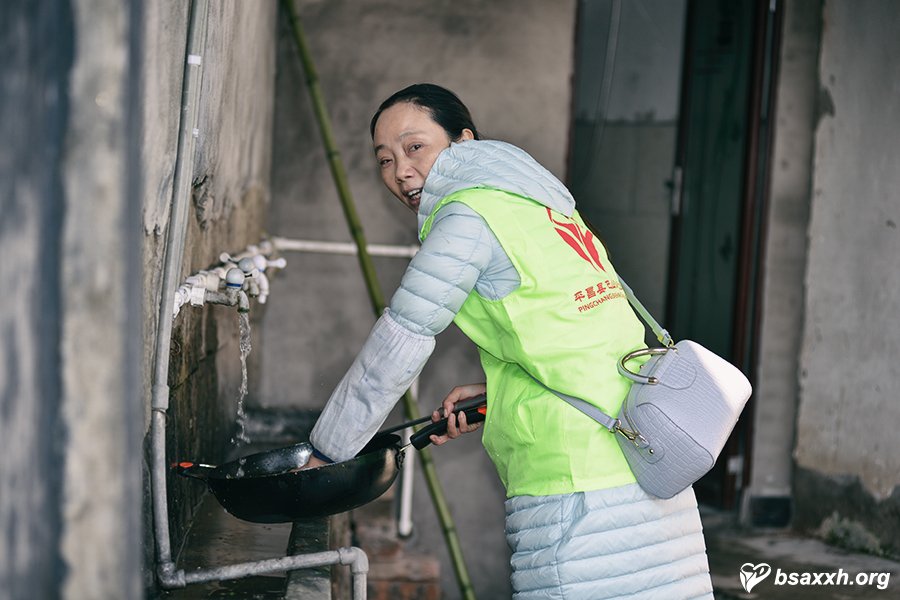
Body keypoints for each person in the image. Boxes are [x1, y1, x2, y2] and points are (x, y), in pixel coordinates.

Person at [305, 83, 714, 599]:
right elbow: (579, 335)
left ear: (463, 143)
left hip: (577, 488)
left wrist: (326, 454)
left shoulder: (467, 215)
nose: (400, 171)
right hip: (646, 459)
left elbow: (401, 340)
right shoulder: (544, 206)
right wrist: (495, 391)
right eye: (383, 160)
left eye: (415, 147)